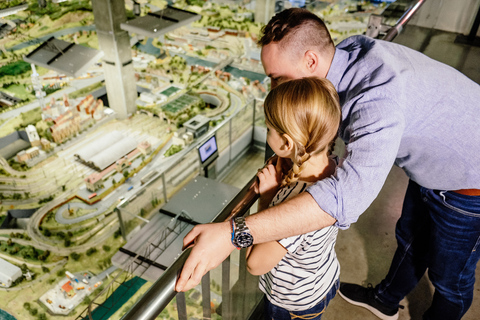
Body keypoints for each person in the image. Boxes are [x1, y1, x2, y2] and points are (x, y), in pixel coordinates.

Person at [176, 8, 480, 320]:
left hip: (469, 178)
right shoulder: (346, 57)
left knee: (450, 277)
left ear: (310, 61)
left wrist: (232, 233)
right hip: (433, 166)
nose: (274, 90)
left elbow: (346, 199)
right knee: (410, 240)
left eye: (277, 78)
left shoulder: (377, 98)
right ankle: (385, 299)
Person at [246, 77, 341, 319]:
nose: (267, 133)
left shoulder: (294, 202)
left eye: (269, 129)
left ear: (287, 143)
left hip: (293, 303)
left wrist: (267, 197)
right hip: (322, 280)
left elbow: (255, 264)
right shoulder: (336, 168)